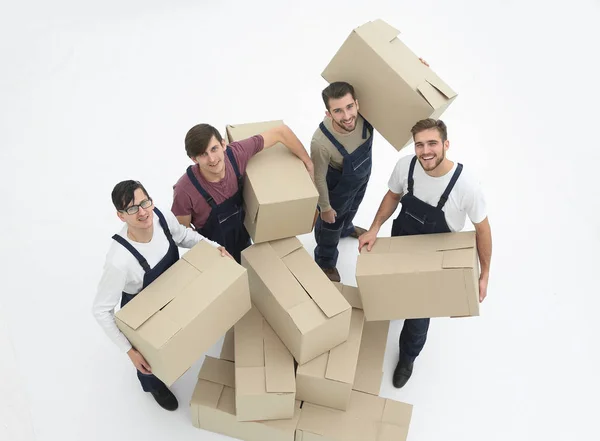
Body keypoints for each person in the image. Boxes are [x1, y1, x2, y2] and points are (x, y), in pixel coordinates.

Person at [358, 118, 492, 389]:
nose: (425, 151)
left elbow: (483, 230)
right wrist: (374, 228)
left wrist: (485, 273)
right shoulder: (405, 166)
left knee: (418, 315)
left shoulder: (466, 186)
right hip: (402, 241)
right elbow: (393, 196)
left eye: (432, 143)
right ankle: (395, 306)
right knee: (393, 286)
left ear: (446, 144)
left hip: (436, 255)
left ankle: (408, 357)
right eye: (420, 144)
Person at [92, 180, 231, 411]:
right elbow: (100, 310)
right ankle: (155, 386)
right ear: (121, 216)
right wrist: (130, 351)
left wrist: (212, 246)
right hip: (143, 311)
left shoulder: (161, 216)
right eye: (132, 208)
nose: (143, 212)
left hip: (173, 289)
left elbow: (185, 236)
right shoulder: (119, 261)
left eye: (145, 202)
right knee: (149, 362)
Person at [171, 123, 314, 263]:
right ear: (194, 159)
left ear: (223, 144)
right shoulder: (185, 190)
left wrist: (308, 163)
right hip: (215, 254)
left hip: (244, 237)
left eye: (214, 149)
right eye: (203, 154)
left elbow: (280, 132)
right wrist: (212, 250)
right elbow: (182, 232)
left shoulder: (235, 155)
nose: (212, 159)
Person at [311, 81, 373, 282]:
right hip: (337, 188)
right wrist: (325, 208)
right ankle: (325, 261)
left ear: (356, 103)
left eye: (349, 107)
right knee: (330, 227)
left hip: (361, 179)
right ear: (328, 113)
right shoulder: (321, 142)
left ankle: (347, 229)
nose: (347, 116)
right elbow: (318, 177)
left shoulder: (368, 116)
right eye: (338, 111)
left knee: (353, 208)